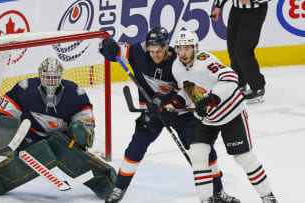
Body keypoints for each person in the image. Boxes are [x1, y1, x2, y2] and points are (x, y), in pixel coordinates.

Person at [100, 27, 239, 203]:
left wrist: (166, 100)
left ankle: (218, 191)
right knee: (135, 148)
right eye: (151, 51)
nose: (155, 55)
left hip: (180, 113)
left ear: (167, 47)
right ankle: (119, 188)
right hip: (152, 113)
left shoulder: (178, 63)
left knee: (203, 150)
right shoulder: (137, 52)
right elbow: (115, 50)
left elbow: (187, 90)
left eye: (159, 51)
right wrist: (106, 46)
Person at [0, 57, 116, 199]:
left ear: (61, 76)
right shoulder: (25, 88)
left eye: (55, 77)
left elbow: (85, 118)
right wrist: (11, 140)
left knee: (60, 142)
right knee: (38, 148)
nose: (51, 81)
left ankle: (103, 180)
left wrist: (85, 128)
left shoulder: (75, 93)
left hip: (61, 139)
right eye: (47, 77)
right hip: (31, 137)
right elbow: (2, 113)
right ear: (40, 75)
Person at [171, 30, 278, 203]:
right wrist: (173, 104)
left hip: (231, 113)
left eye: (187, 48)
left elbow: (230, 78)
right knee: (198, 156)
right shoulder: (176, 67)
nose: (183, 53)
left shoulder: (206, 61)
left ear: (195, 48)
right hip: (206, 118)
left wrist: (210, 99)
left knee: (244, 158)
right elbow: (187, 88)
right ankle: (206, 200)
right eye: (180, 48)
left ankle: (268, 197)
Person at [211, 0, 270, 103]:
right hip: (236, 10)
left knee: (243, 52)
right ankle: (239, 84)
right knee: (233, 49)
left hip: (254, 12)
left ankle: (258, 88)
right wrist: (218, 6)